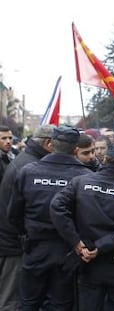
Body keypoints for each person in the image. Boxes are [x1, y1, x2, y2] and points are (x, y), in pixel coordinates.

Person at [50, 144, 114, 311]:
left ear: (105, 160)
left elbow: (57, 206)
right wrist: (99, 246)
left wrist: (77, 242)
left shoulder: (81, 182)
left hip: (87, 260)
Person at [7, 126, 92, 310]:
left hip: (37, 248)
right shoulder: (86, 177)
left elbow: (13, 214)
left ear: (51, 144)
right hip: (68, 250)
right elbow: (89, 219)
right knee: (60, 304)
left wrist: (27, 233)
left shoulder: (28, 172)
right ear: (75, 149)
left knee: (28, 303)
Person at [0, 124, 55, 310]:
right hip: (13, 244)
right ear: (48, 143)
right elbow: (15, 212)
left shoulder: (26, 161)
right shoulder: (28, 166)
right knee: (11, 298)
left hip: (14, 241)